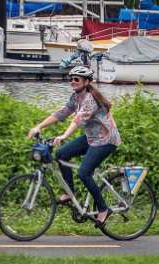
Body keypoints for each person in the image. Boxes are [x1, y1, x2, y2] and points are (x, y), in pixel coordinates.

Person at [28, 65, 121, 225]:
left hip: (106, 139)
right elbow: (61, 113)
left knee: (84, 173)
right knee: (61, 154)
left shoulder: (90, 99)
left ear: (86, 82)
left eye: (76, 79)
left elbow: (78, 119)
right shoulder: (74, 98)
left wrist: (64, 135)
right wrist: (39, 126)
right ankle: (70, 192)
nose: (72, 81)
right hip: (92, 137)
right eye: (71, 79)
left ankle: (103, 209)